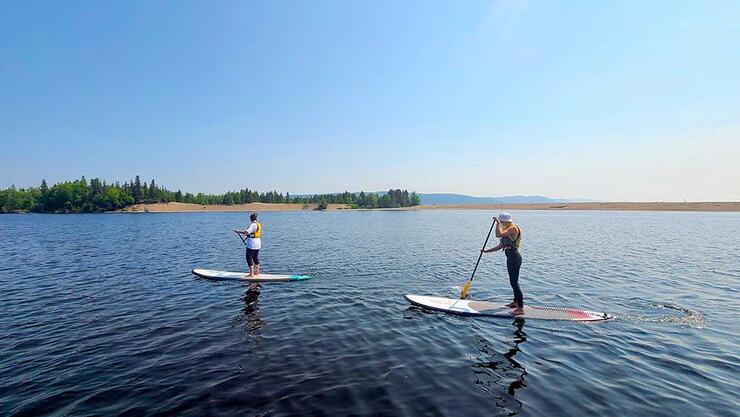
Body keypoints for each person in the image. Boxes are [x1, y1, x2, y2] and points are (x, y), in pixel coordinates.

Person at [481, 212, 523, 315]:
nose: (501, 224)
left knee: (514, 282)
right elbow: (500, 246)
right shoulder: (506, 230)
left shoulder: (513, 228)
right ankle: (515, 302)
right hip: (510, 257)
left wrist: (497, 224)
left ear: (506, 222)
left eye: (502, 222)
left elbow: (498, 234)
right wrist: (486, 251)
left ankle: (520, 308)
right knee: (512, 281)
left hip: (514, 257)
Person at [235, 212, 262, 277]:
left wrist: (238, 231)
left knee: (249, 258)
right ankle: (257, 272)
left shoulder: (252, 225)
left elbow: (247, 232)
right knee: (255, 257)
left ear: (251, 219)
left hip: (252, 243)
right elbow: (250, 233)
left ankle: (251, 274)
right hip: (258, 242)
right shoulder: (259, 224)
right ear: (256, 218)